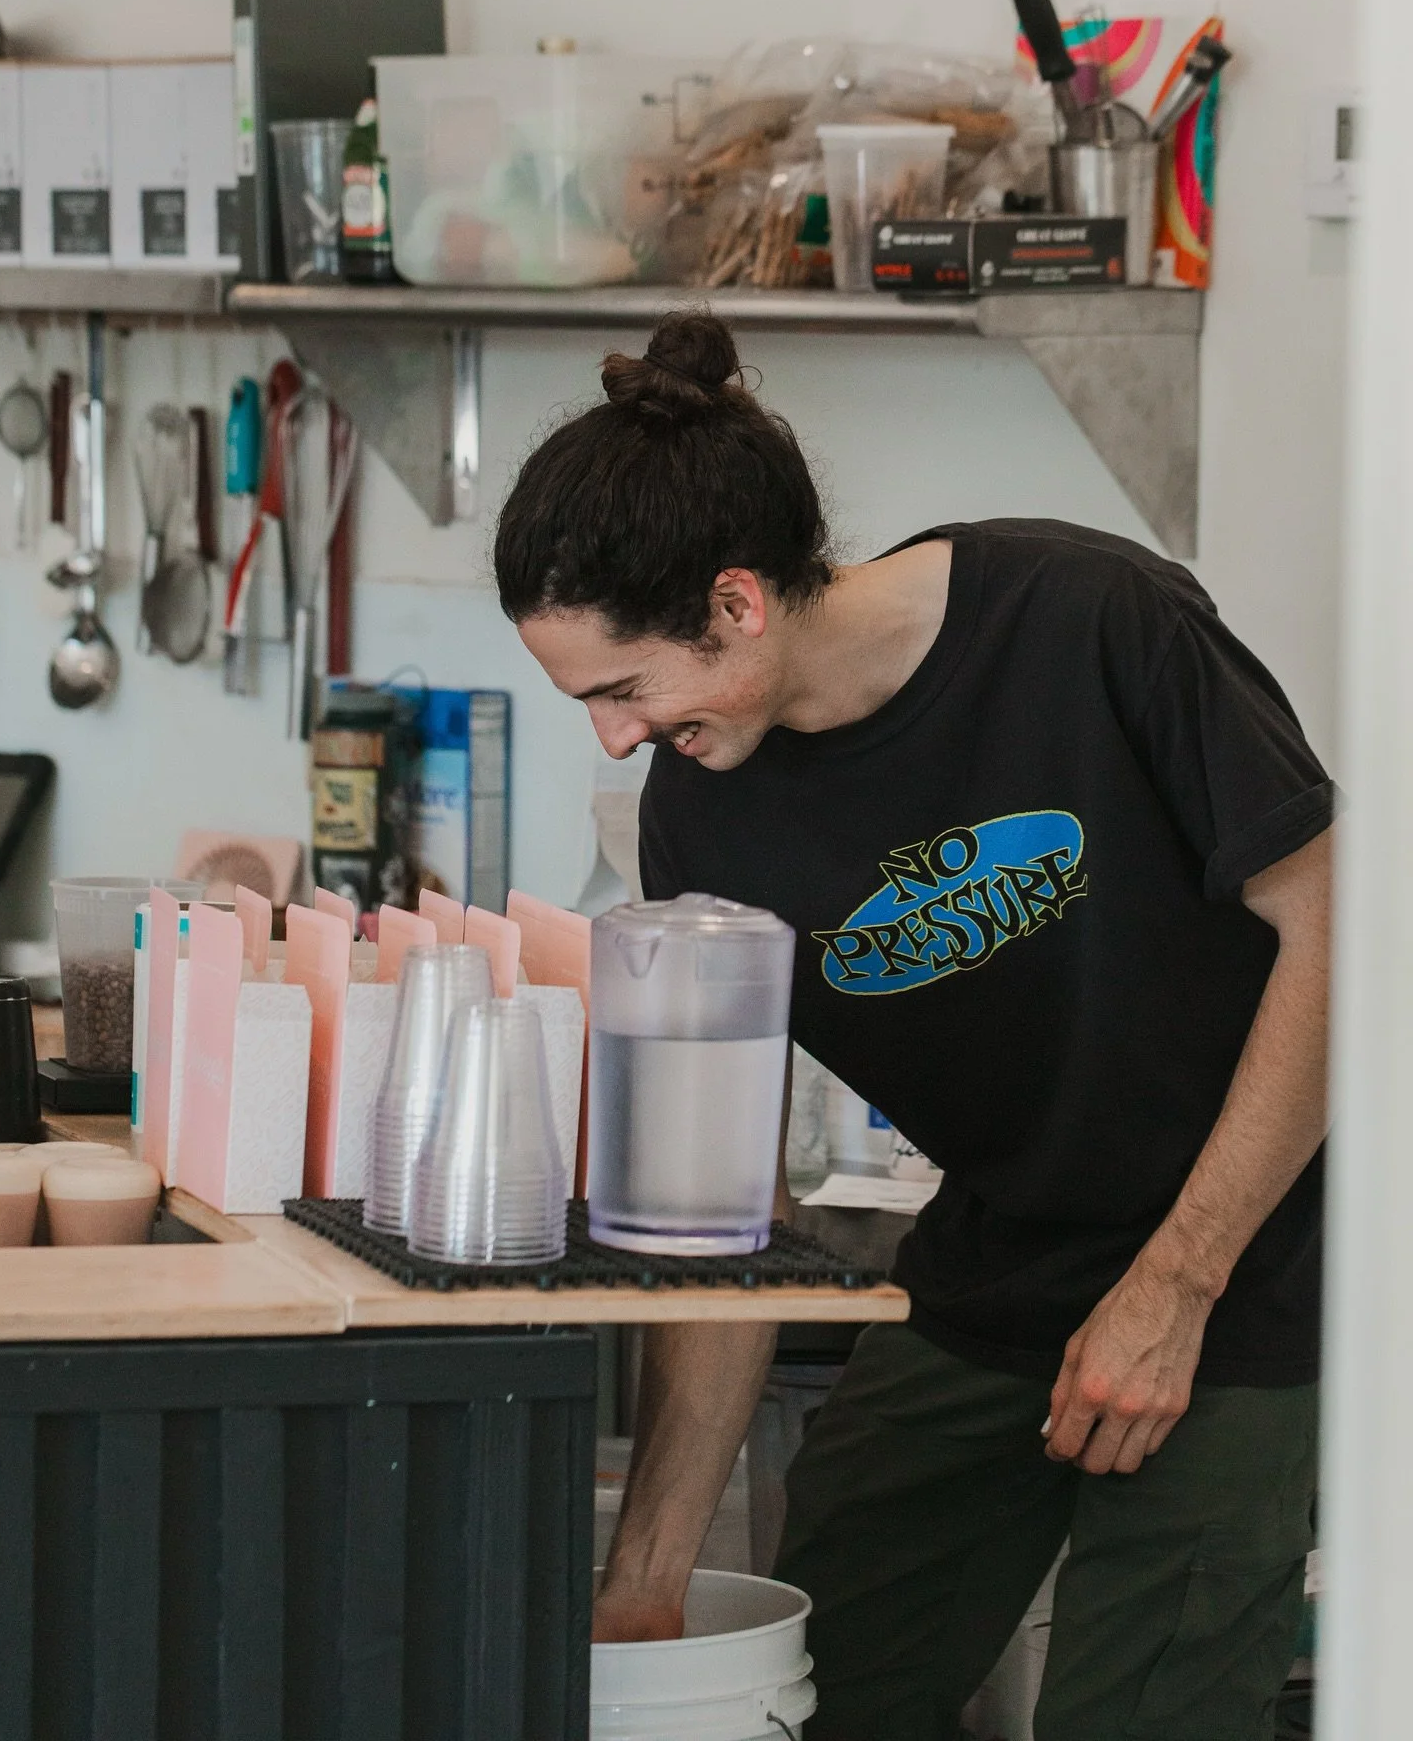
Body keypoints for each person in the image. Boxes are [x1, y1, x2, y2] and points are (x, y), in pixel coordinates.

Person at [494, 311, 1331, 1740]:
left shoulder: (1088, 620)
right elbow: (726, 1216)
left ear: (740, 603)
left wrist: (1175, 1287)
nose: (615, 741)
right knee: (815, 1688)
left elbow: (1347, 923)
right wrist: (648, 1578)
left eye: (626, 689)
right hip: (1002, 1265)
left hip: (1254, 1263)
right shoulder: (702, 818)